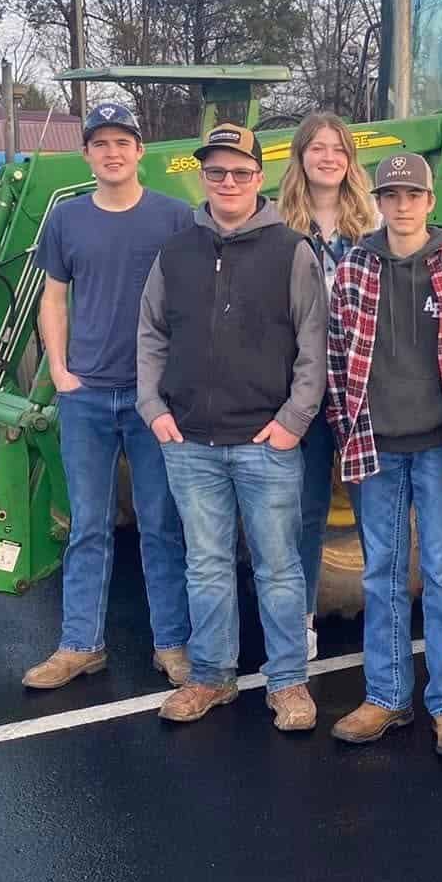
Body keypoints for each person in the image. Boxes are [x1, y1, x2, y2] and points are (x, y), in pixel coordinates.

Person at [137, 123, 327, 731]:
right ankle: (211, 677)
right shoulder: (175, 252)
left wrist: (294, 420)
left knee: (278, 566)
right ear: (203, 177)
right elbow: (151, 334)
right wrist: (153, 408)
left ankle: (289, 682)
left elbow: (313, 344)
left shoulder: (291, 251)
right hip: (189, 442)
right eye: (216, 171)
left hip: (265, 443)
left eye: (240, 172)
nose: (228, 182)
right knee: (207, 564)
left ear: (259, 177)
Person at [324, 154, 442, 756]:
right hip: (376, 447)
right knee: (381, 576)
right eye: (391, 194)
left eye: (412, 195)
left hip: (440, 448)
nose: (401, 205)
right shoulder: (354, 268)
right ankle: (386, 697)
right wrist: (345, 430)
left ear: (430, 202)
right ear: (379, 201)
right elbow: (336, 355)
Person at [21, 102, 196, 690]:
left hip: (153, 401)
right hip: (87, 398)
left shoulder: (175, 219)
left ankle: (172, 644)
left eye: (124, 141)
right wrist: (60, 369)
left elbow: (195, 303)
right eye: (102, 143)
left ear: (141, 151)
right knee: (87, 526)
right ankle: (79, 645)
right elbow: (52, 297)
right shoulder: (68, 220)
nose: (113, 152)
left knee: (160, 524)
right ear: (88, 153)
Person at [276, 109, 378, 655]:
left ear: (350, 161)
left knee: (375, 508)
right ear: (301, 156)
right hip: (304, 385)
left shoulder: (374, 226)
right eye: (317, 147)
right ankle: (301, 620)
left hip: (360, 385)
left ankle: (383, 628)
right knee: (306, 509)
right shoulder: (278, 227)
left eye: (338, 148)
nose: (328, 157)